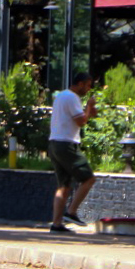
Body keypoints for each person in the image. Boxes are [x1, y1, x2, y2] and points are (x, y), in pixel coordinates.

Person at [48, 71, 97, 232]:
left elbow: (79, 118)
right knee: (89, 179)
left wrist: (89, 111)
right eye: (88, 85)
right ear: (80, 83)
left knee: (64, 186)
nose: (89, 89)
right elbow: (81, 121)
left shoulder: (62, 96)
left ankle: (56, 224)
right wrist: (89, 107)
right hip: (66, 144)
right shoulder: (72, 97)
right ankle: (71, 212)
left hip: (54, 143)